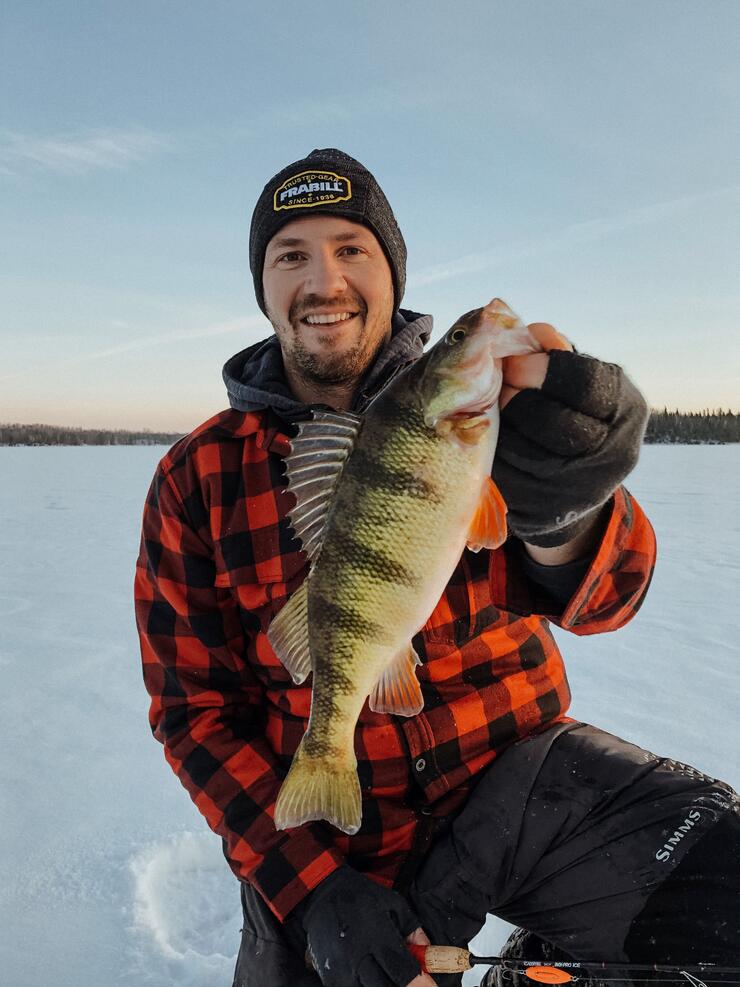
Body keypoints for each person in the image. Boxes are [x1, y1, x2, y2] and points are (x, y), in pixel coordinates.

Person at [134, 149, 740, 987]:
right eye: (291, 255)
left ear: (391, 271)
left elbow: (612, 598)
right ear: (264, 285)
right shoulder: (196, 477)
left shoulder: (492, 418)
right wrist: (312, 895)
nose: (324, 281)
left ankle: (537, 961)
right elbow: (193, 712)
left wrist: (561, 505)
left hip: (524, 782)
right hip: (332, 843)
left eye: (352, 249)